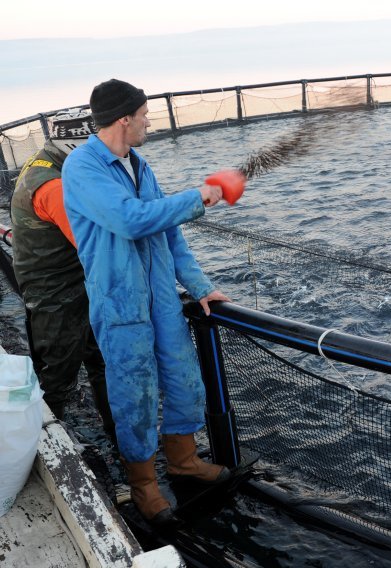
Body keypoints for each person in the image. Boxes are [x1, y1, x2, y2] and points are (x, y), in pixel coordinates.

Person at [62, 79, 233, 526]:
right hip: (120, 304)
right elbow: (129, 220)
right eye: (144, 115)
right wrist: (197, 196)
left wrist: (200, 286)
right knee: (133, 392)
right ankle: (142, 485)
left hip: (162, 301)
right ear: (124, 118)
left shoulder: (141, 164)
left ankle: (183, 460)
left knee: (182, 378)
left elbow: (169, 235)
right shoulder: (81, 168)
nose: (149, 122)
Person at [10, 110, 115, 440]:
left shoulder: (43, 161)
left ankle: (119, 431)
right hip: (56, 291)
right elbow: (93, 243)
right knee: (58, 374)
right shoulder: (54, 186)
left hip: (62, 281)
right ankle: (38, 443)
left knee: (100, 359)